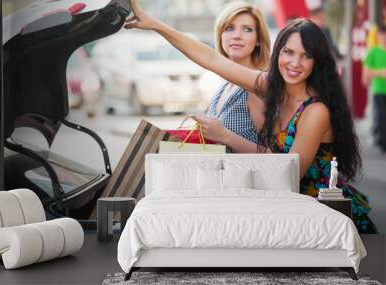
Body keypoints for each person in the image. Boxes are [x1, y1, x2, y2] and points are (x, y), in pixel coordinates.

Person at [125, 0, 377, 233]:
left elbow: (288, 171)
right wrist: (155, 24)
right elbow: (211, 58)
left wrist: (226, 136)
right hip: (289, 209)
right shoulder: (271, 86)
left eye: (306, 56)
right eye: (288, 52)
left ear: (317, 62)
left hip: (323, 216)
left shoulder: (316, 111)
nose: (294, 63)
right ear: (277, 53)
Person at [193, 1, 271, 152]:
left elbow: (272, 155)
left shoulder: (255, 86)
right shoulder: (224, 86)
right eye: (229, 28)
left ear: (258, 40)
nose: (236, 36)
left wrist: (224, 135)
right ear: (220, 35)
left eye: (247, 29)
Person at [362, 25, 386, 154]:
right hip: (379, 90)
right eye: (382, 35)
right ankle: (382, 143)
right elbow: (366, 75)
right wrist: (380, 72)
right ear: (378, 37)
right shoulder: (373, 52)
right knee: (381, 117)